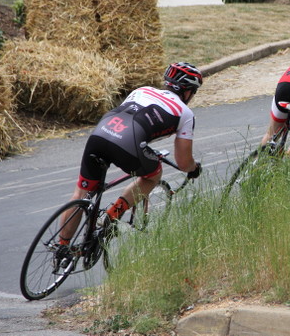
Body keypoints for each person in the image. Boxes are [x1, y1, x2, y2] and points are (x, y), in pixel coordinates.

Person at [58, 62, 203, 246]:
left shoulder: (142, 90)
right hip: (128, 144)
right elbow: (183, 162)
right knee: (154, 175)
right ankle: (113, 214)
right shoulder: (185, 113)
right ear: (189, 92)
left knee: (82, 193)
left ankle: (61, 248)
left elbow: (131, 119)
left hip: (100, 134)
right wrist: (194, 168)